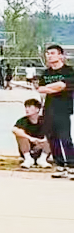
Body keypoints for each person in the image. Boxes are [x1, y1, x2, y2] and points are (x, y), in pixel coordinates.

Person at [37, 44, 73, 178]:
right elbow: (41, 89)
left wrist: (50, 88)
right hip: (49, 109)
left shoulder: (69, 71)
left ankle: (71, 165)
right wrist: (53, 88)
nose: (49, 56)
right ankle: (60, 165)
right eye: (48, 54)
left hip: (63, 109)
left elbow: (63, 85)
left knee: (65, 138)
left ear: (60, 55)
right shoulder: (46, 73)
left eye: (52, 53)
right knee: (53, 139)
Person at [12, 99, 50, 169]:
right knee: (21, 136)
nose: (27, 109)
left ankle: (42, 159)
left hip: (41, 147)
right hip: (28, 148)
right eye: (26, 107)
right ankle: (28, 159)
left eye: (29, 107)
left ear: (37, 109)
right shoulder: (23, 120)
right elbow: (15, 130)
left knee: (53, 137)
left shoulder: (45, 120)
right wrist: (30, 138)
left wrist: (43, 140)